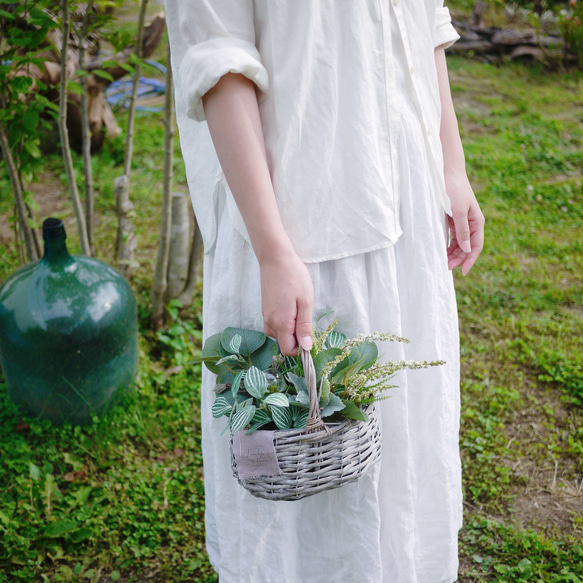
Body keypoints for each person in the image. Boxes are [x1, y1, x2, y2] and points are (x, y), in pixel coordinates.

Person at [164, 1, 484, 582]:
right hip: (298, 209)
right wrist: (272, 251)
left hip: (406, 191)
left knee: (401, 446)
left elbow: (425, 24)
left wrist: (451, 167)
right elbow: (220, 60)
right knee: (301, 463)